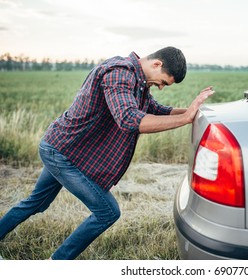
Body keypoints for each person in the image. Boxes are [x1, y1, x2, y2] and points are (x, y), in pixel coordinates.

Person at [0, 46, 214, 260]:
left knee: (36, 202)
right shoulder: (119, 72)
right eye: (164, 82)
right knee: (108, 212)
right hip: (62, 152)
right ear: (157, 64)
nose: (161, 87)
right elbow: (128, 119)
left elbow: (154, 109)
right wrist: (184, 119)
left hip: (69, 151)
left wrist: (192, 112)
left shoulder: (138, 80)